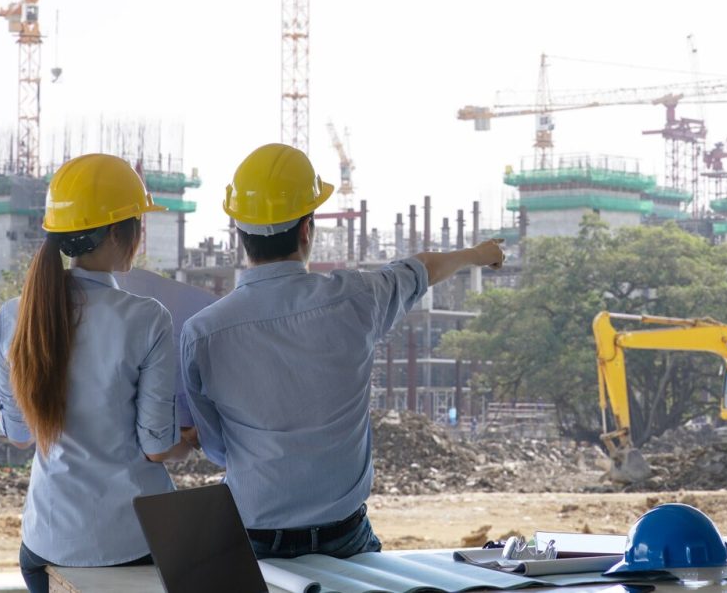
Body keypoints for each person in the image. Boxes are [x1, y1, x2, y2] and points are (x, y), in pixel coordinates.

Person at [181, 143, 504, 560]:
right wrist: (479, 254)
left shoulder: (202, 332)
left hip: (254, 539)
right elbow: (422, 268)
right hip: (345, 538)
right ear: (306, 229)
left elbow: (217, 446)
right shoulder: (357, 297)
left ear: (239, 233)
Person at [0, 154, 191, 593]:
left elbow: (20, 434)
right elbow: (156, 448)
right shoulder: (146, 318)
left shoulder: (15, 316)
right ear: (122, 232)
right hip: (133, 544)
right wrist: (188, 442)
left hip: (47, 544)